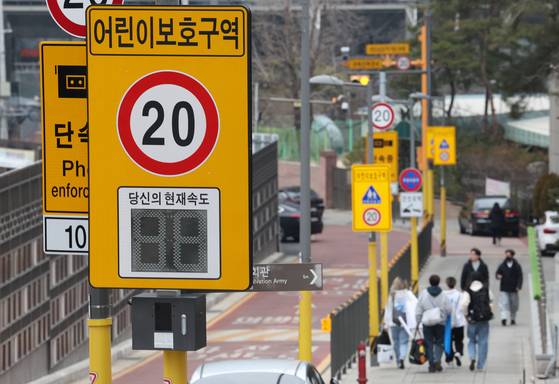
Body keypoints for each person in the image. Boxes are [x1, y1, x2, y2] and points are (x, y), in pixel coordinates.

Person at [416, 275, 451, 373]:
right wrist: (445, 315)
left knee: (428, 343)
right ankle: (437, 361)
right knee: (439, 342)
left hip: (427, 322)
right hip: (440, 322)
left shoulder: (424, 294)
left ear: (430, 282)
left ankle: (431, 363)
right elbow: (449, 309)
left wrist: (418, 319)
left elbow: (419, 308)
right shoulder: (443, 294)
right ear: (439, 282)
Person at [460, 271, 494, 372]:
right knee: (483, 341)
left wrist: (466, 315)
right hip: (484, 319)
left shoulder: (467, 291)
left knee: (471, 340)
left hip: (472, 319)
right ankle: (480, 364)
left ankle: (472, 357)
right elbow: (491, 300)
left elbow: (463, 304)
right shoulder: (486, 289)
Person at [383, 277, 418, 369]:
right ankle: (402, 357)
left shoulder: (391, 295)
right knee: (404, 342)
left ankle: (398, 360)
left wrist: (386, 323)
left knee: (396, 342)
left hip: (393, 322)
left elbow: (388, 310)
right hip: (405, 322)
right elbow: (416, 305)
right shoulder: (408, 294)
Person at [496, 249, 523, 326]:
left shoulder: (517, 266)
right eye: (506, 254)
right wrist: (498, 276)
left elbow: (520, 276)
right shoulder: (502, 265)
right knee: (504, 303)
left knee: (514, 304)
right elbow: (498, 273)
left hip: (514, 288)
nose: (507, 256)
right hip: (504, 287)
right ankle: (503, 318)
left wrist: (519, 286)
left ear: (512, 255)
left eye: (509, 255)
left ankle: (513, 318)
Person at [444, 277, 466, 366]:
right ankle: (458, 352)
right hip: (459, 321)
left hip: (447, 322)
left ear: (446, 284)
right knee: (459, 339)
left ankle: (449, 358)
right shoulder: (460, 295)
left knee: (448, 340)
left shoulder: (443, 295)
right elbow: (463, 307)